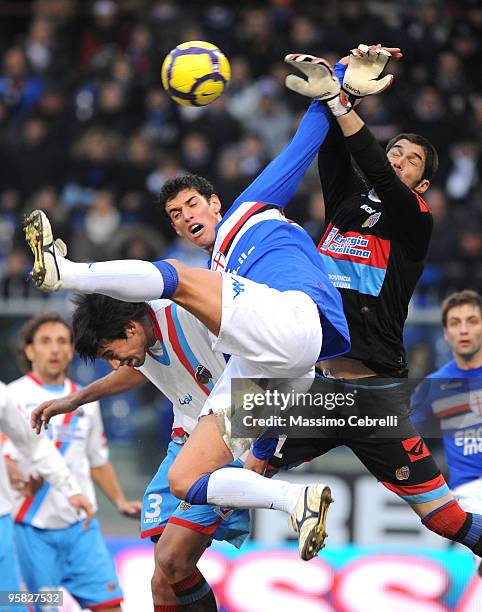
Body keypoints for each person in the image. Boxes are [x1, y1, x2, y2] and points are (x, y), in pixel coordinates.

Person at [23, 50, 365, 563]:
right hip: (276, 365)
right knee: (186, 477)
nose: (184, 218)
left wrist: (339, 89)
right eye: (174, 215)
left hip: (295, 319)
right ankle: (296, 502)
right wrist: (265, 454)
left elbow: (300, 149)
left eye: (191, 206)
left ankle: (64, 272)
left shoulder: (246, 214)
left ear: (215, 204)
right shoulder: (222, 273)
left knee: (176, 278)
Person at [247, 46, 482, 559]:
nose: (398, 158)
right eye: (394, 149)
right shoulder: (348, 206)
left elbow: (372, 166)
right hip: (320, 390)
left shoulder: (414, 218)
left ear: (422, 184)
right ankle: (195, 543)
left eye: (410, 158)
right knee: (249, 466)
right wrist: (338, 94)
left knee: (444, 518)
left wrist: (342, 103)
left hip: (376, 394)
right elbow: (335, 152)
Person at [32, 295, 250, 611]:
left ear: (132, 328)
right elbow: (138, 370)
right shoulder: (141, 342)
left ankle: (290, 497)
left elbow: (262, 365)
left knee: (172, 559)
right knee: (162, 583)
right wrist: (76, 399)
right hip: (186, 440)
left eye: (111, 353)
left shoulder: (189, 314)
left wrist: (265, 442)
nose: (114, 363)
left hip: (229, 439)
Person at [6, 312, 141, 612]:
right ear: (29, 350)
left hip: (82, 526)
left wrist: (119, 501)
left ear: (71, 350)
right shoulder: (11, 396)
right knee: (35, 607)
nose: (54, 349)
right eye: (45, 341)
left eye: (62, 342)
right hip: (30, 527)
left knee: (110, 606)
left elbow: (96, 458)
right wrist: (15, 474)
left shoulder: (84, 400)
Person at [0, 381, 92, 612]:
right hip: (26, 525)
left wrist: (70, 487)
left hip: (2, 521)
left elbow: (33, 443)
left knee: (10, 603)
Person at [411, 290, 482, 572]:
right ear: (445, 333)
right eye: (455, 322)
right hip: (470, 490)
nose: (463, 329)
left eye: (472, 320)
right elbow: (407, 441)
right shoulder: (433, 386)